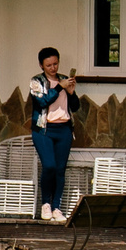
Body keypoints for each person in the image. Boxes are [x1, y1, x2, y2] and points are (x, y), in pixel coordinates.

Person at [28, 46, 77, 223]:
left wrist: (70, 93)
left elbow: (76, 106)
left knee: (59, 169)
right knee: (49, 165)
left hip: (63, 129)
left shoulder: (64, 79)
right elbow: (42, 102)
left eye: (55, 64)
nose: (53, 68)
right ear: (41, 65)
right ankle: (45, 204)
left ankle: (57, 207)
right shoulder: (36, 81)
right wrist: (59, 88)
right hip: (44, 130)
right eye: (49, 65)